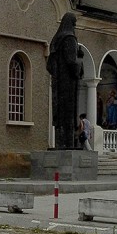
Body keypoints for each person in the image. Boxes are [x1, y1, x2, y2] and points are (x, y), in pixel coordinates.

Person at [46, 12, 84, 150]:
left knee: (60, 113)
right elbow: (71, 62)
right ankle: (69, 143)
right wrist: (80, 62)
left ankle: (60, 142)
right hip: (68, 83)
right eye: (74, 24)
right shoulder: (69, 38)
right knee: (69, 113)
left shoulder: (57, 39)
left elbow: (51, 64)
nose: (75, 27)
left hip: (59, 81)